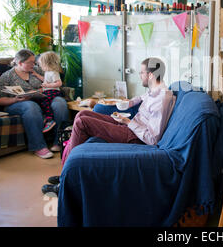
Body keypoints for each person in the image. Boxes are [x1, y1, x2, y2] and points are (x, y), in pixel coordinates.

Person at [42, 57, 176, 194]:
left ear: (150, 75)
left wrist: (128, 122)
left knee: (82, 123)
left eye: (141, 72)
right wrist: (128, 104)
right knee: (81, 115)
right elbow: (142, 98)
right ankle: (67, 172)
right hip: (132, 126)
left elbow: (152, 139)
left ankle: (66, 181)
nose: (139, 76)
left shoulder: (161, 99)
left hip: (137, 137)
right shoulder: (154, 91)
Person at [0, 49, 69, 159]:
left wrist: (41, 89)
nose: (34, 64)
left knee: (60, 103)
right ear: (20, 63)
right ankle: (39, 146)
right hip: (18, 103)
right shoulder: (7, 76)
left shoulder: (37, 70)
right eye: (30, 62)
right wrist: (16, 99)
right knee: (31, 106)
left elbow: (52, 78)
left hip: (42, 99)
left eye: (34, 62)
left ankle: (59, 142)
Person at [32, 51, 63, 133]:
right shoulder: (47, 72)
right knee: (40, 100)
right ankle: (46, 116)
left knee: (45, 100)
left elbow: (59, 83)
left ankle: (50, 119)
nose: (40, 67)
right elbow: (45, 80)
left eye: (41, 65)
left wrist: (48, 86)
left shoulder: (54, 72)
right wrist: (36, 75)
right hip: (48, 91)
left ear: (47, 64)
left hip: (54, 91)